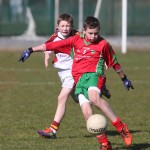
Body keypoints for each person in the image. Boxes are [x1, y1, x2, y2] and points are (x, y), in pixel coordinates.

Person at [19, 16, 134, 150]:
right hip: (79, 79)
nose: (93, 36)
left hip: (94, 75)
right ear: (84, 31)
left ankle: (121, 128)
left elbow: (114, 63)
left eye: (96, 33)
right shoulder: (75, 40)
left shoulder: (103, 44)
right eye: (90, 33)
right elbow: (52, 45)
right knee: (86, 112)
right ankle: (104, 144)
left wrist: (124, 78)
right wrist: (31, 49)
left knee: (94, 98)